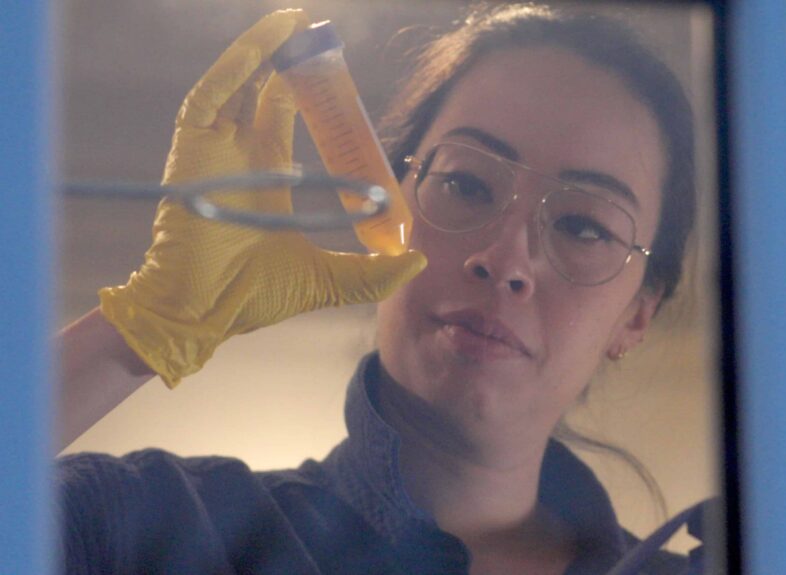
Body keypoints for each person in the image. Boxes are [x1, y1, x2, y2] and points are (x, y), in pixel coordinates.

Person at [58, 4, 696, 574]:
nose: (504, 260)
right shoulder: (147, 530)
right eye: (466, 184)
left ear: (637, 315)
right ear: (384, 201)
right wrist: (150, 321)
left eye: (584, 227)